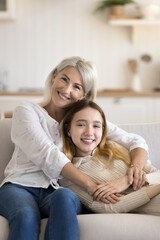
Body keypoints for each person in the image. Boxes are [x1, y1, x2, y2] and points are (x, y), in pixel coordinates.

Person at [0, 56, 149, 240]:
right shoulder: (26, 111)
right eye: (64, 79)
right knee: (25, 214)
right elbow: (49, 155)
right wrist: (91, 185)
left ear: (84, 95)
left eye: (76, 87)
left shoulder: (82, 122)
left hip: (56, 190)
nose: (66, 90)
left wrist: (134, 171)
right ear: (54, 76)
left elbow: (135, 140)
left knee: (64, 197)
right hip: (20, 187)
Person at [60, 99, 160, 215]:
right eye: (81, 125)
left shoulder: (114, 148)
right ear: (68, 130)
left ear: (102, 131)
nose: (89, 132)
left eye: (96, 126)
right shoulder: (70, 176)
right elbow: (108, 208)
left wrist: (127, 181)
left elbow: (156, 172)